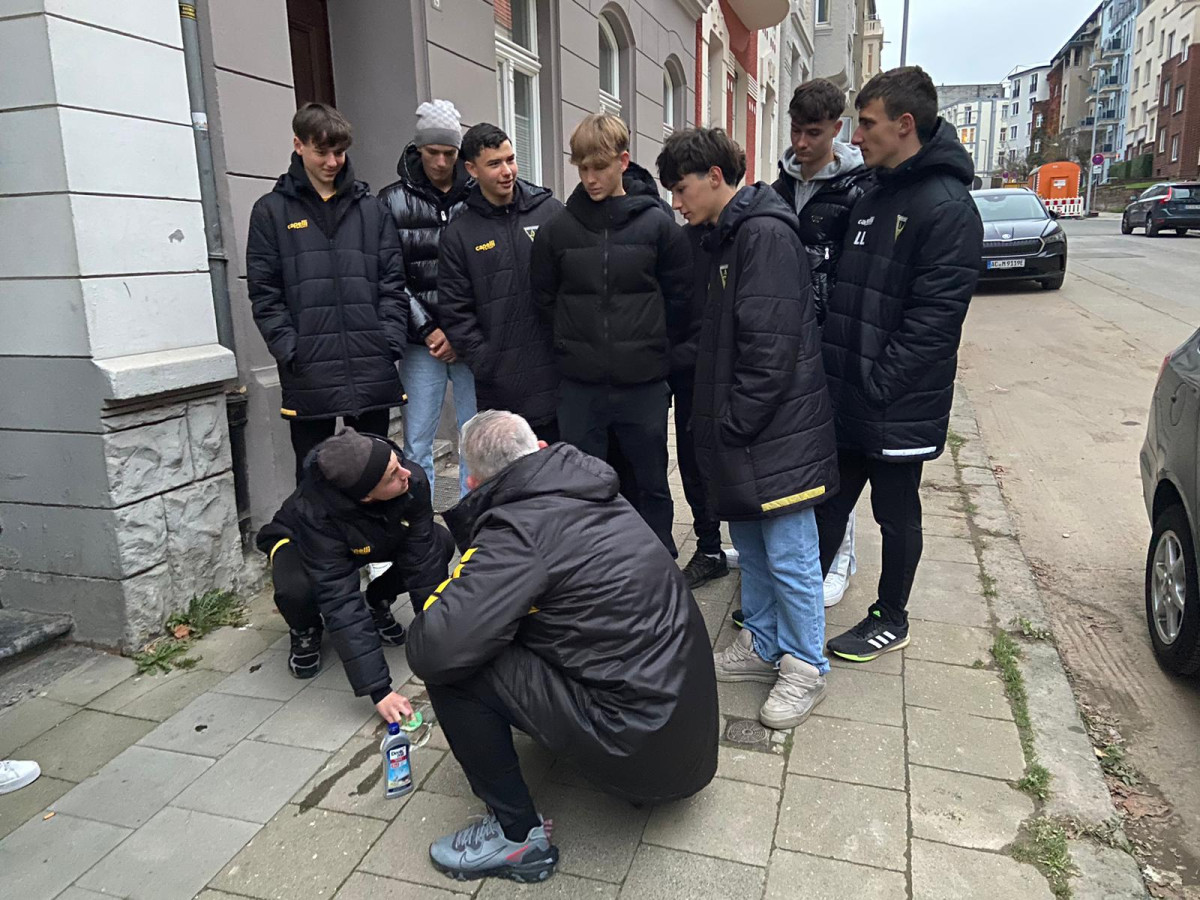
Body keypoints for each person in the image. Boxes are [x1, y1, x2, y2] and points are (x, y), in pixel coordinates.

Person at [406, 410, 718, 883]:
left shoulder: (518, 532)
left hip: (640, 748)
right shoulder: (591, 489)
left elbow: (433, 649)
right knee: (496, 623)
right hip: (682, 737)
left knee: (454, 666)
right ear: (539, 448)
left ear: (471, 481)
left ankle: (516, 839)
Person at [656, 128, 838, 730]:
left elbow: (770, 348)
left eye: (681, 189)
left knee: (790, 556)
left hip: (774, 434)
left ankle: (805, 666)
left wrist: (733, 423)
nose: (676, 203)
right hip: (745, 433)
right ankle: (762, 641)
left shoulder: (763, 235)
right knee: (755, 549)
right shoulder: (727, 235)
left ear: (714, 176)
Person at [817, 66, 983, 663]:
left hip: (895, 401)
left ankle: (892, 617)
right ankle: (795, 602)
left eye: (866, 123)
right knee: (826, 505)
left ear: (905, 124)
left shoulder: (948, 209)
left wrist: (877, 386)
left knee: (894, 512)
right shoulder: (872, 194)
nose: (856, 136)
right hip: (847, 394)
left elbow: (933, 324)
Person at [531, 114, 692, 555]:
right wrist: (570, 348)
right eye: (582, 168)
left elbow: (681, 300)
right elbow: (543, 299)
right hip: (580, 387)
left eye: (599, 167)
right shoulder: (557, 230)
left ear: (622, 161)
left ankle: (657, 566)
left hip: (643, 385)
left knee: (650, 483)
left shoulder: (658, 226)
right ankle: (590, 568)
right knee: (581, 486)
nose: (590, 178)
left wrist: (657, 355)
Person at [246, 102, 409, 483]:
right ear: (298, 145)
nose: (333, 162)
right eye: (322, 152)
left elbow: (392, 282)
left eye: (339, 152)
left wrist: (388, 342)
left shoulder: (372, 210)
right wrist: (291, 349)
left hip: (370, 363)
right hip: (309, 370)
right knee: (313, 476)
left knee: (376, 475)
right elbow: (264, 292)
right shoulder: (271, 212)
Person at [256, 429, 454, 713]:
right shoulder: (314, 513)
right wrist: (379, 690)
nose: (406, 473)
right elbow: (340, 599)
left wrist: (444, 645)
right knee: (297, 588)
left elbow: (424, 567)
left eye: (397, 462)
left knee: (440, 542)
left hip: (368, 533)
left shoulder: (412, 480)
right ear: (366, 497)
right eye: (392, 475)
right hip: (301, 542)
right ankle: (305, 628)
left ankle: (377, 599)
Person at [436, 124, 563, 442]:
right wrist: (488, 362)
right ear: (471, 169)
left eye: (510, 159)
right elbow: (456, 312)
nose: (507, 171)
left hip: (560, 380)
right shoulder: (460, 234)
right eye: (494, 164)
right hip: (502, 394)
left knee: (561, 469)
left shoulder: (549, 212)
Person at [379, 100, 477, 499]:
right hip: (421, 342)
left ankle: (478, 520)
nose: (440, 162)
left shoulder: (477, 196)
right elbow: (390, 275)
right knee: (417, 442)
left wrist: (459, 329)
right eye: (432, 152)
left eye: (449, 153)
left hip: (470, 337)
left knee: (477, 438)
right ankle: (419, 522)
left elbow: (486, 270)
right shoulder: (391, 201)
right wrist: (429, 329)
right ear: (418, 148)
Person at [670, 220, 728, 588]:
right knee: (692, 464)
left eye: (682, 193)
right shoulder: (681, 239)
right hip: (687, 374)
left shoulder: (748, 235)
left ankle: (757, 557)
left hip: (733, 375)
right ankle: (709, 549)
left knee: (738, 467)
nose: (678, 203)